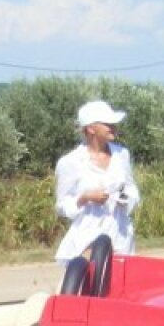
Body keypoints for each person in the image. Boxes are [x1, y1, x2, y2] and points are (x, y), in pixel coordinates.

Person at [54, 99, 140, 263]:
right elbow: (61, 205)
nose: (113, 127)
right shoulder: (70, 162)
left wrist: (126, 199)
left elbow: (132, 189)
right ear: (91, 128)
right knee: (88, 284)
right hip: (88, 236)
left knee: (121, 285)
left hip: (120, 234)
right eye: (107, 123)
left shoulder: (122, 155)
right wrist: (85, 198)